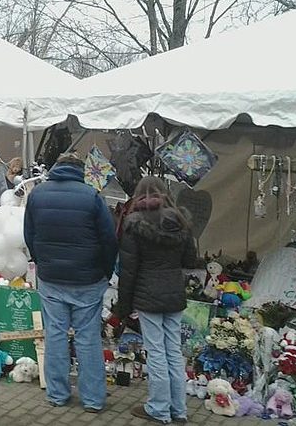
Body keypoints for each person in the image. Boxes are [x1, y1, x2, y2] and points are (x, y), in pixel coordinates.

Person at [24, 152, 118, 413]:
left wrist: (41, 261)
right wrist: (106, 272)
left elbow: (29, 234)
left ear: (56, 168)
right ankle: (93, 399)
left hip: (52, 278)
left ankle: (57, 394)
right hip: (88, 279)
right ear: (82, 171)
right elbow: (109, 240)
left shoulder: (37, 194)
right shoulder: (92, 196)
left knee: (54, 335)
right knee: (88, 338)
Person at [117, 176, 197, 424]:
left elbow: (128, 270)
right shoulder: (181, 221)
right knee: (173, 351)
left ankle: (159, 409)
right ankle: (179, 410)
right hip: (174, 294)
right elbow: (190, 261)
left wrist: (124, 306)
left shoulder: (133, 224)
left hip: (147, 295)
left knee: (156, 352)